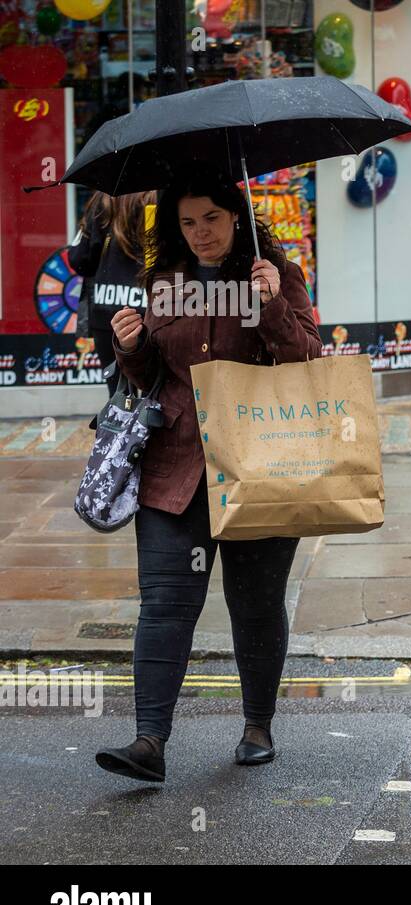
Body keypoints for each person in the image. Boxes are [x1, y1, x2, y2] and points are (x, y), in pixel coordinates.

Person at [95, 168, 320, 783]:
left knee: (254, 603)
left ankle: (257, 726)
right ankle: (148, 742)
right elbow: (150, 381)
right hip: (176, 471)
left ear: (237, 217)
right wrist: (131, 347)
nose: (200, 233)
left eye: (212, 219)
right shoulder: (161, 283)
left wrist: (271, 302)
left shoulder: (274, 275)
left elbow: (307, 361)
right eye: (188, 222)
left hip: (257, 468)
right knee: (164, 604)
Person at [68, 191, 155, 395]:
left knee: (119, 396)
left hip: (109, 312)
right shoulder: (161, 194)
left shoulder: (104, 199)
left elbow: (79, 259)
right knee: (159, 394)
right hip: (155, 308)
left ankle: (120, 426)